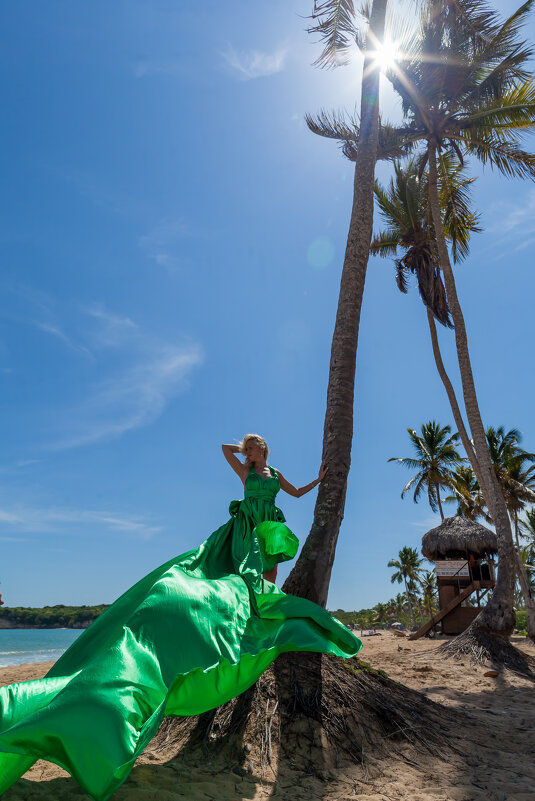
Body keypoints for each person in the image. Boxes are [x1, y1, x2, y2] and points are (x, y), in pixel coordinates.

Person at [0, 434, 361, 801]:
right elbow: (223, 450)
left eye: (253, 449)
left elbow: (296, 492)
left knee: (266, 583)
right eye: (247, 450)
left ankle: (261, 610)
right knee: (241, 576)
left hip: (267, 523)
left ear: (264, 449)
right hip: (245, 526)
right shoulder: (246, 470)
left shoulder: (274, 472)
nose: (249, 454)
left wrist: (320, 479)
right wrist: (241, 450)